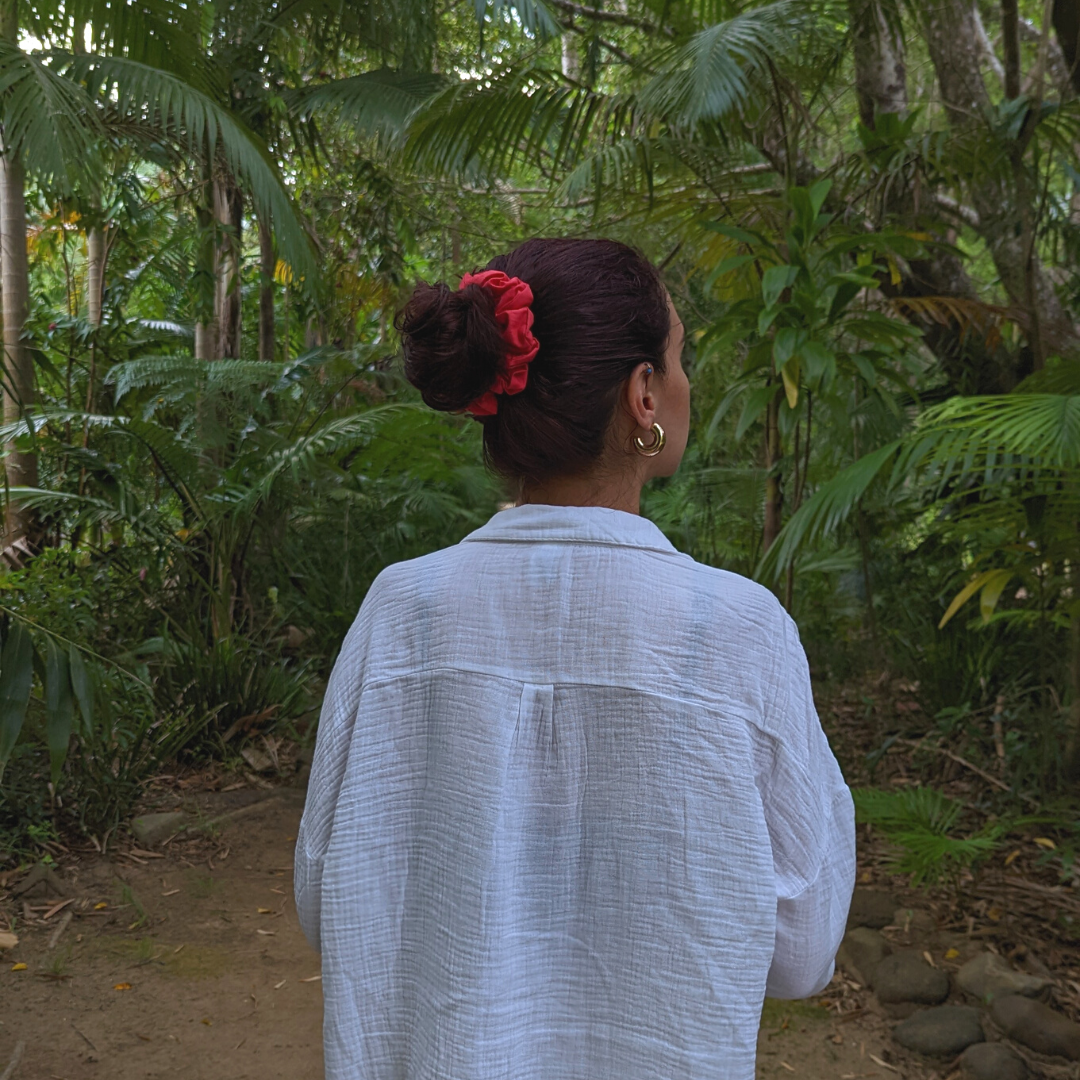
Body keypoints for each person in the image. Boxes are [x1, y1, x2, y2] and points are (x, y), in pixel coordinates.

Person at [295, 237, 855, 1080]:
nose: (686, 382)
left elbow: (326, 896)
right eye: (678, 358)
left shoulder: (402, 614)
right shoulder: (738, 632)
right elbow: (801, 951)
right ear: (642, 395)